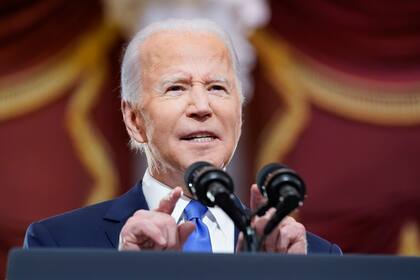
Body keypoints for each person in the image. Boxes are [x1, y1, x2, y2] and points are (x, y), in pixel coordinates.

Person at [24, 18, 341, 254]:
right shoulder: (57, 244)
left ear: (239, 113)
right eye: (176, 87)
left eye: (217, 87)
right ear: (134, 119)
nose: (202, 107)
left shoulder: (309, 256)